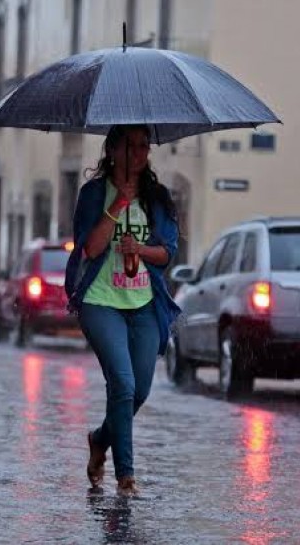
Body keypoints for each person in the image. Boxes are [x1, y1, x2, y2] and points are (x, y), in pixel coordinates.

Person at [65, 124, 181, 496]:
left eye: (144, 146)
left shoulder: (158, 197)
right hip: (100, 301)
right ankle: (125, 476)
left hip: (144, 303)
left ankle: (100, 439)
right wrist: (117, 205)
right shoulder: (93, 193)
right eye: (130, 146)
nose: (138, 153)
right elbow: (91, 249)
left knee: (140, 390)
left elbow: (167, 253)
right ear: (112, 150)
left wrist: (140, 250)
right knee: (123, 383)